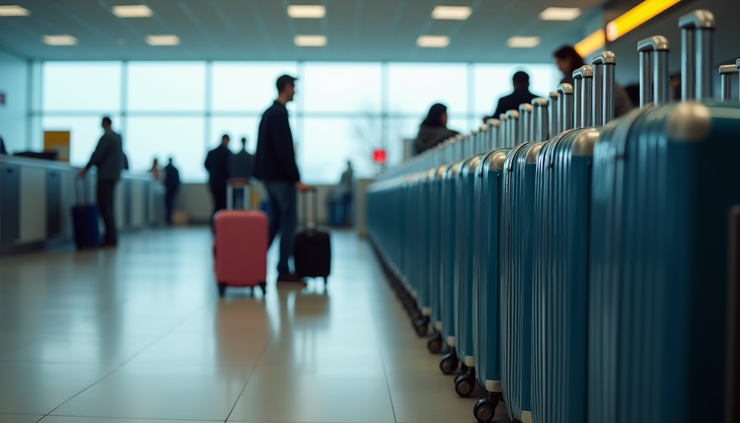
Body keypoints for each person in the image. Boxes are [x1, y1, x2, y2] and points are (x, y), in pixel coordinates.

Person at [254, 74, 312, 286]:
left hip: (270, 177)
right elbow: (284, 151)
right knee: (289, 222)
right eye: (294, 87)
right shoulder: (278, 114)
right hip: (280, 179)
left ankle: (253, 263)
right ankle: (284, 272)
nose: (295, 91)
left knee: (276, 222)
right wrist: (296, 179)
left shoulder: (269, 113)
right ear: (286, 87)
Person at [553, 45, 634, 118]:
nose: (559, 68)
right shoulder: (585, 77)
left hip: (620, 123)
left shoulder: (588, 78)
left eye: (559, 63)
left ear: (568, 59)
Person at [79, 116, 123, 248]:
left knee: (104, 206)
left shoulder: (107, 137)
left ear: (105, 123)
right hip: (114, 176)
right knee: (109, 206)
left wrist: (86, 168)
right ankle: (111, 236)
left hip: (105, 176)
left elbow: (97, 154)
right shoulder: (117, 137)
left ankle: (108, 237)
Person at [205, 135, 232, 219]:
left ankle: (214, 224)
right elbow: (230, 168)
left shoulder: (211, 152)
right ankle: (221, 224)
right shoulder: (228, 153)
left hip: (213, 182)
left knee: (216, 204)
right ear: (225, 140)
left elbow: (206, 165)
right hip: (223, 183)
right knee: (222, 205)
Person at [229, 137, 254, 209]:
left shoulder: (234, 156)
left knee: (237, 199)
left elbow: (230, 168)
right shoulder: (249, 156)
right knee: (244, 200)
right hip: (245, 181)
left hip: (235, 181)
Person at [163, 157, 180, 225]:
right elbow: (177, 180)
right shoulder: (175, 169)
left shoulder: (165, 168)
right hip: (173, 189)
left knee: (167, 204)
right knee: (171, 204)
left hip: (167, 189)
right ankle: (169, 219)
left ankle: (168, 219)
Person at [338, 161, 354, 227]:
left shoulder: (345, 173)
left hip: (346, 192)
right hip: (349, 192)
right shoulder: (352, 172)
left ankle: (345, 223)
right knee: (349, 208)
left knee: (345, 208)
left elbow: (340, 182)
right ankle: (346, 223)